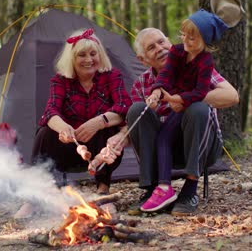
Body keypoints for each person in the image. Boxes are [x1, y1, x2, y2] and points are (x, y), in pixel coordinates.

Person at [96, 23, 238, 215]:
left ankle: (190, 190)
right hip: (163, 149)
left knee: (197, 108)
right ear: (143, 60)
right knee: (137, 109)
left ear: (170, 43)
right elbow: (135, 125)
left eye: (161, 42)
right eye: (151, 48)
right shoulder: (142, 84)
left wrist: (188, 96)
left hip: (201, 146)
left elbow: (232, 96)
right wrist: (119, 139)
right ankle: (153, 188)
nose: (160, 49)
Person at [30, 28, 132, 195]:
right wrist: (63, 128)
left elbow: (125, 107)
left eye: (93, 54)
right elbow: (50, 111)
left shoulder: (112, 76)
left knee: (110, 131)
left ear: (100, 55)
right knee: (44, 133)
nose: (89, 60)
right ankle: (36, 195)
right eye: (82, 55)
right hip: (70, 147)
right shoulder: (60, 80)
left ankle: (103, 189)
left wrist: (98, 122)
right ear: (72, 58)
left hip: (101, 150)